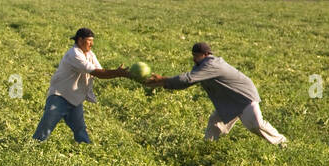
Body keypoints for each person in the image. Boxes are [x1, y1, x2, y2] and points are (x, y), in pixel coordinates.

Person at [143, 43, 288, 146]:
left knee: (256, 125)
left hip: (243, 98)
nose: (194, 58)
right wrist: (166, 84)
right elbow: (188, 82)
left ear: (206, 54)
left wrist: (165, 80)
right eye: (193, 56)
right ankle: (208, 147)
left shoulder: (211, 65)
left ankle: (282, 142)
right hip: (230, 101)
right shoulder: (202, 66)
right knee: (215, 122)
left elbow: (188, 78)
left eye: (197, 56)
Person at [32, 28, 128, 143]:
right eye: (89, 41)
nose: (92, 44)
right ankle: (33, 146)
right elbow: (96, 72)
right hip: (60, 96)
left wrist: (120, 74)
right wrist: (118, 73)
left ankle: (87, 149)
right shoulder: (74, 54)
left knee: (80, 129)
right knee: (46, 126)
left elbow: (101, 72)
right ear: (80, 40)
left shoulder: (90, 54)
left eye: (92, 41)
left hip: (75, 99)